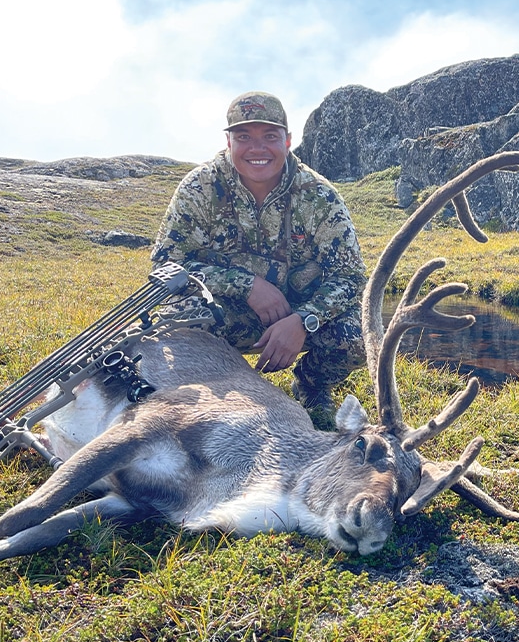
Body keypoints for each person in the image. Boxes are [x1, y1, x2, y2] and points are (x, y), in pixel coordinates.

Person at [151, 91, 367, 419]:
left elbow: (350, 278)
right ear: (229, 142)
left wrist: (304, 320)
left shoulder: (319, 197)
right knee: (176, 323)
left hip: (298, 314)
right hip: (225, 310)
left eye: (269, 136)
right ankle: (216, 390)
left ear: (288, 141)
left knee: (358, 337)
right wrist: (246, 285)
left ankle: (311, 385)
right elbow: (166, 264)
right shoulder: (200, 188)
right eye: (244, 137)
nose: (257, 148)